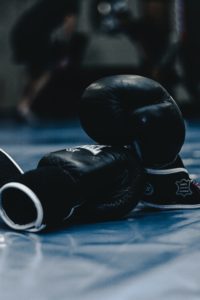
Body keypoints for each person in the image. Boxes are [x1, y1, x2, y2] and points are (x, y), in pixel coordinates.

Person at [10, 0, 88, 121]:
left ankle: (23, 106)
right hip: (35, 34)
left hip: (19, 31)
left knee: (34, 71)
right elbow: (70, 25)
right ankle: (23, 106)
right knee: (45, 71)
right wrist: (66, 51)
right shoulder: (72, 3)